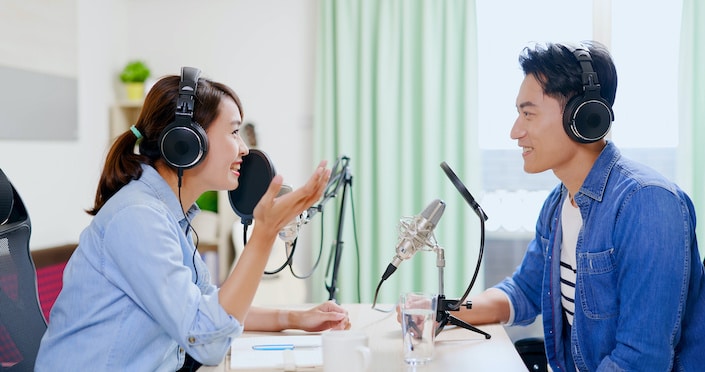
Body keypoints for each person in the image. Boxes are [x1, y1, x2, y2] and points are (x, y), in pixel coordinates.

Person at [414, 41, 705, 371]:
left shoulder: (648, 205)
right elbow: (523, 291)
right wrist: (439, 309)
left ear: (583, 117)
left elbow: (641, 360)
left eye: (528, 114)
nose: (515, 131)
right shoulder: (558, 202)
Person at [36, 68, 350, 371]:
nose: (243, 149)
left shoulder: (169, 214)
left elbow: (206, 308)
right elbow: (206, 341)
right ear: (187, 143)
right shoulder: (138, 218)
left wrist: (295, 319)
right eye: (234, 132)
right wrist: (264, 232)